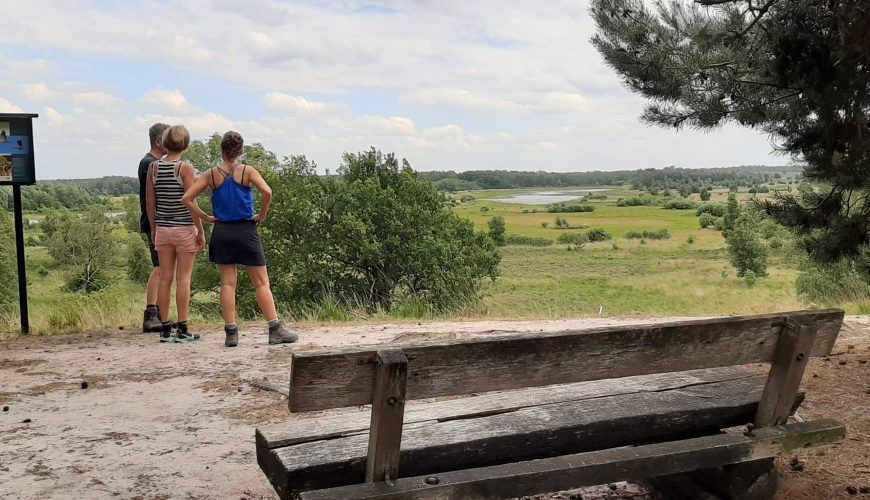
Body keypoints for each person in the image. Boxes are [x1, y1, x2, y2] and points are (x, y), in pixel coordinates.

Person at [182, 131, 297, 347]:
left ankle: (231, 332)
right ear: (241, 151)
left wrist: (205, 217)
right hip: (246, 230)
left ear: (222, 150)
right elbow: (267, 192)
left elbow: (187, 198)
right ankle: (275, 329)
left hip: (222, 231)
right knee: (261, 282)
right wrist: (262, 215)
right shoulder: (247, 171)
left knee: (227, 283)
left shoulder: (211, 174)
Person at [146, 125, 205, 343]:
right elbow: (191, 201)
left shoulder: (154, 168)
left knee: (165, 278)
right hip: (183, 228)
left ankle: (165, 327)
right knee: (184, 278)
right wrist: (200, 229)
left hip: (162, 229)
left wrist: (154, 228)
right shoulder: (185, 168)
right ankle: (183, 328)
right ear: (185, 143)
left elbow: (150, 202)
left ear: (165, 142)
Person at [139, 123, 168, 333]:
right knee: (159, 269)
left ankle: (158, 311)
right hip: (155, 223)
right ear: (159, 142)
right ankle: (151, 313)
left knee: (164, 269)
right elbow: (151, 200)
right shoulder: (149, 163)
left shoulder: (154, 163)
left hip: (159, 223)